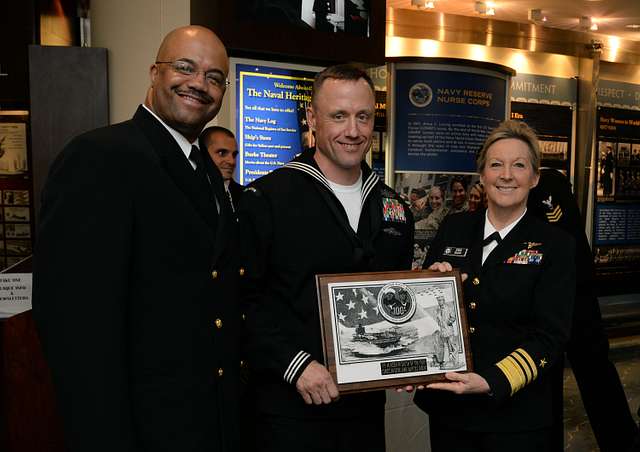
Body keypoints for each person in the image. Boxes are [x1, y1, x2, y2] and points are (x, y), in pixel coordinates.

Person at [33, 26, 244, 452]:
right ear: (154, 72)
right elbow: (76, 327)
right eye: (184, 68)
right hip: (143, 429)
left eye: (214, 77)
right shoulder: (99, 158)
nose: (198, 84)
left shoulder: (201, 166)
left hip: (206, 423)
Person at [238, 64, 414, 452]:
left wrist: (410, 351)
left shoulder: (394, 207)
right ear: (312, 118)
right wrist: (294, 364)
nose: (353, 131)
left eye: (363, 116)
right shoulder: (268, 199)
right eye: (339, 116)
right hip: (289, 409)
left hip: (365, 412)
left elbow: (395, 296)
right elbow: (241, 301)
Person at [415, 120, 576, 452]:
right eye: (496, 164)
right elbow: (426, 314)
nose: (506, 175)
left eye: (519, 165)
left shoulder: (555, 244)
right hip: (450, 410)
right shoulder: (454, 227)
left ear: (534, 178)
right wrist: (430, 288)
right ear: (483, 176)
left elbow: (551, 337)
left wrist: (492, 381)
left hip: (516, 416)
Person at [528, 167, 639, 452]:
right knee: (579, 376)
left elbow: (560, 235)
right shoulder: (550, 180)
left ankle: (622, 441)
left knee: (590, 374)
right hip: (573, 294)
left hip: (572, 295)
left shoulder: (548, 182)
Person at [201, 125, 243, 209]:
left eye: (234, 155)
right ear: (203, 153)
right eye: (222, 153)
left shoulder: (244, 196)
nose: (232, 161)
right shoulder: (191, 192)